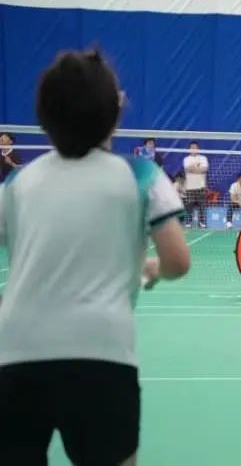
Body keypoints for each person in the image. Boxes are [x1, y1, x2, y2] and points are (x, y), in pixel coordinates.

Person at [0, 48, 190, 465]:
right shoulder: (141, 174)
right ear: (116, 109)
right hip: (101, 353)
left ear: (43, 115)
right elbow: (178, 260)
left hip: (14, 353)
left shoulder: (17, 181)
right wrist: (153, 269)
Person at [182, 141, 209, 228]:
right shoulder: (186, 159)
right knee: (189, 205)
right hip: (190, 186)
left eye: (195, 147)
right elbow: (187, 169)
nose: (194, 149)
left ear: (198, 149)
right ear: (189, 149)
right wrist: (198, 168)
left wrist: (193, 169)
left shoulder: (203, 158)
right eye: (192, 147)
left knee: (202, 205)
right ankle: (188, 222)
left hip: (201, 185)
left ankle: (202, 222)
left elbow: (205, 169)